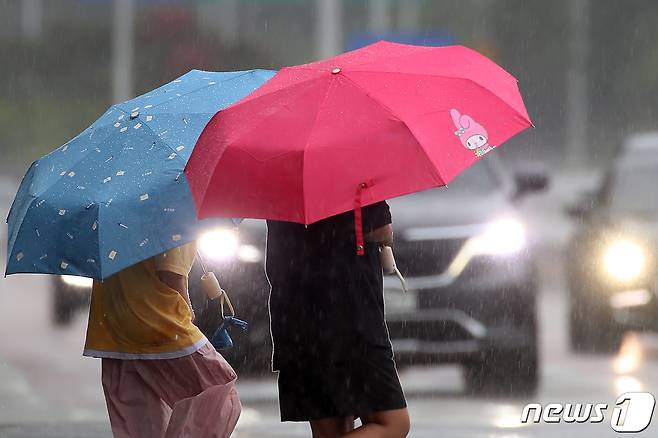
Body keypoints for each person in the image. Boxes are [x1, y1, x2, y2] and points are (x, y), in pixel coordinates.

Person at [266, 201, 410, 438]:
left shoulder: (283, 174)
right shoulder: (353, 172)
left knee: (330, 432)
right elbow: (380, 231)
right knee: (393, 423)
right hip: (349, 318)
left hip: (295, 320)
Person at [83, 242, 241, 438]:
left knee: (143, 425)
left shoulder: (115, 220)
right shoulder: (174, 216)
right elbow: (172, 275)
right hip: (162, 326)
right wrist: (188, 310)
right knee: (220, 394)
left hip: (115, 331)